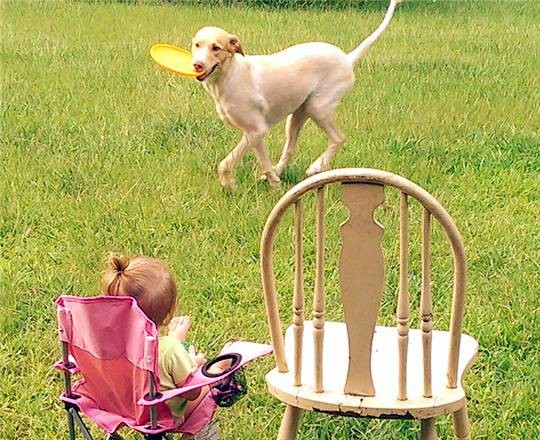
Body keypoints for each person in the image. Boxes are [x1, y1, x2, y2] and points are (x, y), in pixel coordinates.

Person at [101, 253, 220, 439]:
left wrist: (176, 340)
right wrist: (196, 366)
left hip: (123, 409)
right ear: (168, 312)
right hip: (161, 416)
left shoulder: (106, 343)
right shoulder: (169, 350)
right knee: (210, 391)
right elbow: (192, 393)